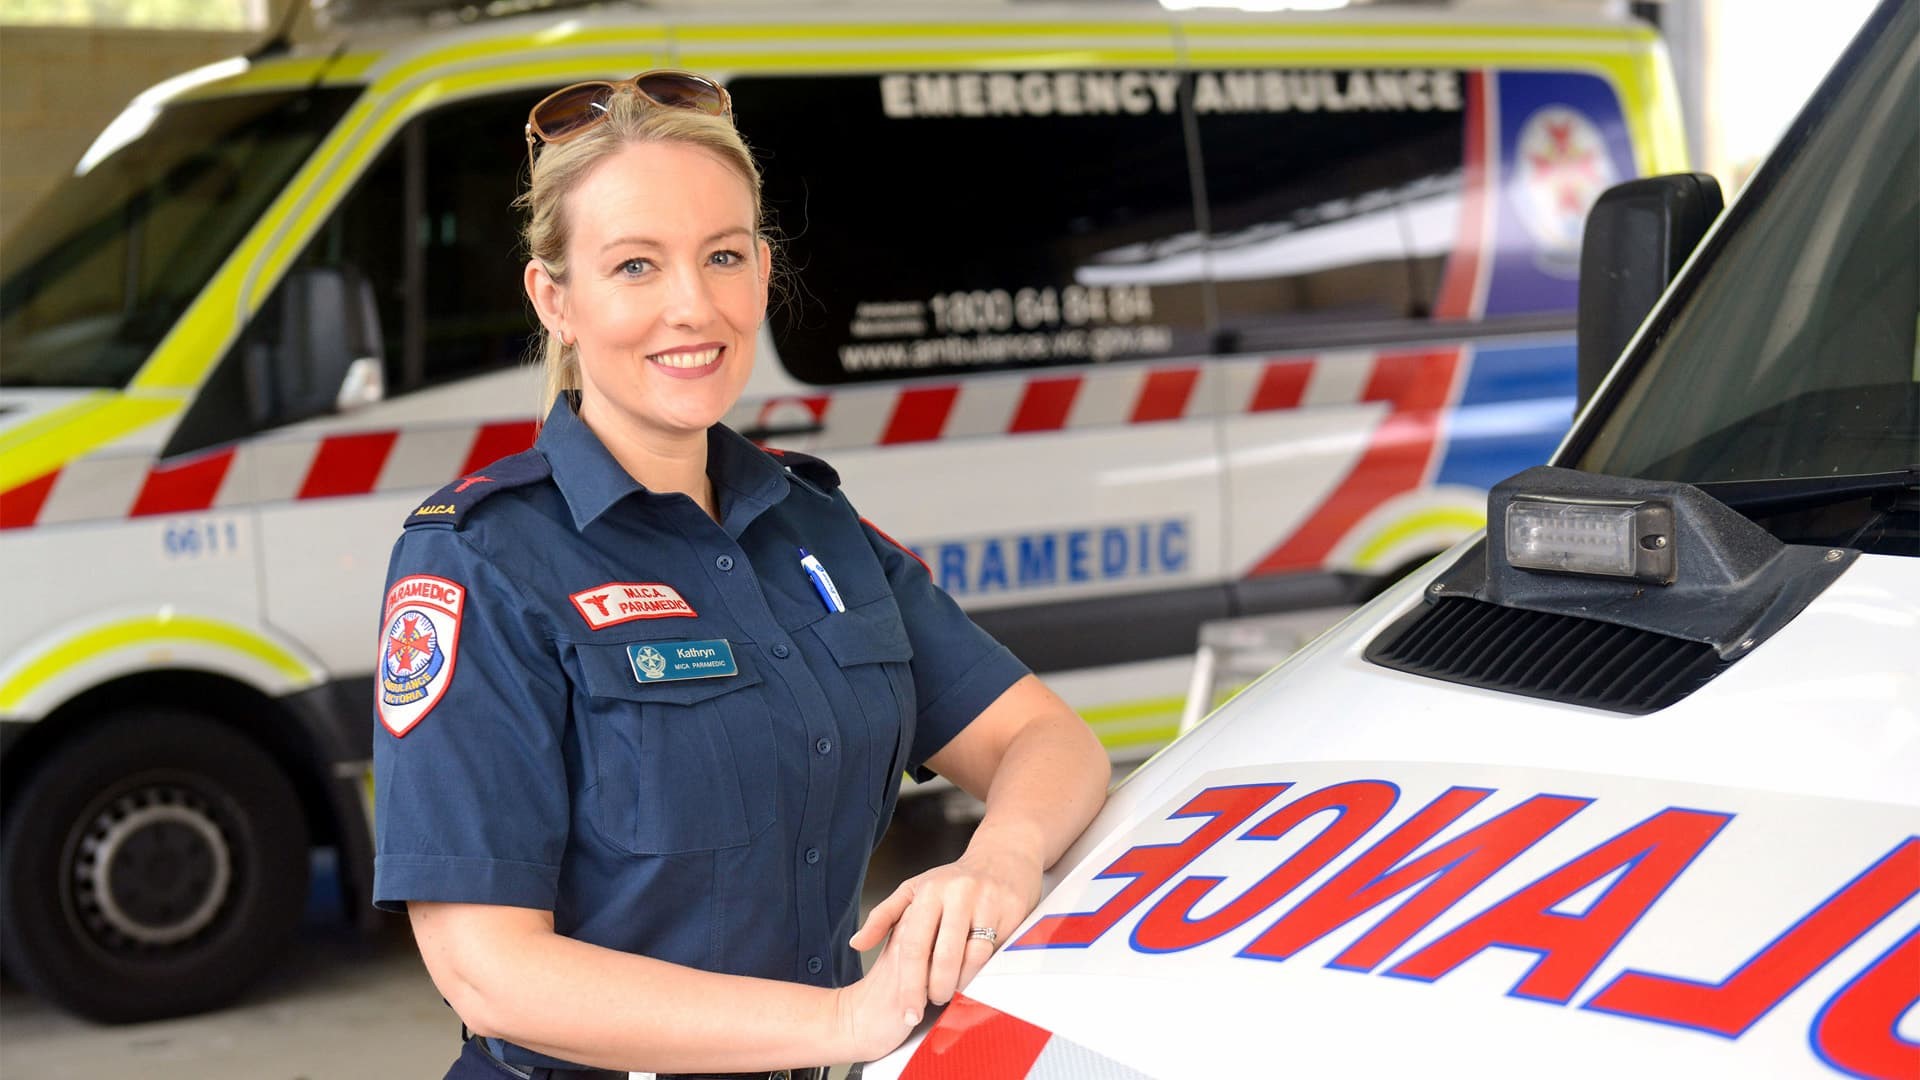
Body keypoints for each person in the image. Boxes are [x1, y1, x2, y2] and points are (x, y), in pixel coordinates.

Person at [370, 71, 1112, 1080]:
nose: (693, 306)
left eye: (723, 255)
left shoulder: (816, 529)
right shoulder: (481, 558)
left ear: (763, 273)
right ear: (556, 298)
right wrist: (852, 1024)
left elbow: (1045, 739)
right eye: (636, 266)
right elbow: (489, 971)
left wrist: (997, 860)